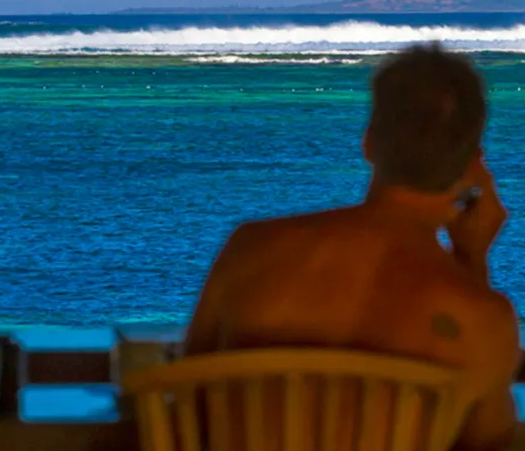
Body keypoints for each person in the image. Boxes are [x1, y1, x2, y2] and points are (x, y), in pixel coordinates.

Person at [184, 42, 521, 450]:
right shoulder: (482, 317)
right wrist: (471, 261)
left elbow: (190, 392)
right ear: (472, 165)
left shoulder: (252, 248)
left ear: (369, 143)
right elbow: (486, 441)